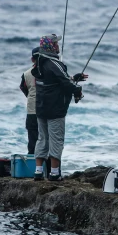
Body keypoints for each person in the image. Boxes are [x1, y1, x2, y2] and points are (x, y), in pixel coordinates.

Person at [32, 34, 88, 181]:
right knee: (56, 140)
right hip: (55, 109)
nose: (58, 46)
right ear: (51, 46)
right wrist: (77, 90)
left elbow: (57, 81)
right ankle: (54, 173)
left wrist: (74, 79)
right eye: (56, 44)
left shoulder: (39, 62)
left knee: (42, 139)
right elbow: (65, 83)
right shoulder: (54, 63)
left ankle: (38, 172)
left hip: (41, 108)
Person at [18, 48, 39, 154]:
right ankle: (49, 168)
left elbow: (23, 88)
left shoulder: (26, 74)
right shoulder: (50, 72)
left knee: (33, 141)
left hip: (32, 111)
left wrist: (31, 97)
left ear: (32, 59)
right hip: (48, 111)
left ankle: (33, 167)